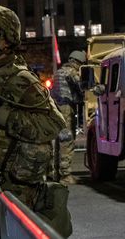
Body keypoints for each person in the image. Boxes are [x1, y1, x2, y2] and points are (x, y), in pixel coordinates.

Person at [0, 5, 71, 237]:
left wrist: (2, 114)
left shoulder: (21, 80)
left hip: (16, 188)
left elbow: (53, 125)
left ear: (7, 40)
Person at [51, 50, 87, 185]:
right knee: (67, 140)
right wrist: (97, 88)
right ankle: (65, 175)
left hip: (55, 109)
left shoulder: (59, 72)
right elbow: (82, 86)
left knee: (57, 141)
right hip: (65, 109)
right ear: (78, 62)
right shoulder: (71, 72)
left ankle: (55, 173)